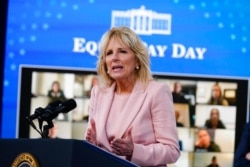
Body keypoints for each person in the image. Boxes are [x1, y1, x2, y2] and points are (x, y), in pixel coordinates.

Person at [84, 26, 180, 166]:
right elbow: (91, 143)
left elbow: (172, 151)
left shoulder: (157, 92)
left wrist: (134, 151)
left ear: (137, 60)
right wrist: (92, 145)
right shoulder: (98, 93)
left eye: (122, 51)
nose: (115, 58)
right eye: (109, 53)